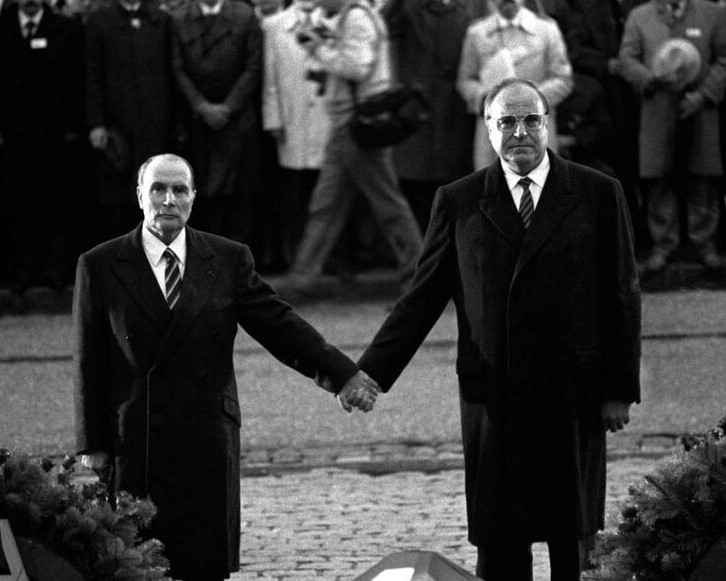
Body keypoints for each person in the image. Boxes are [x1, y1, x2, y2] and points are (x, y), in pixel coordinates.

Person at [353, 79, 642, 580]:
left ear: (547, 125)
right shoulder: (460, 201)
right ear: (488, 130)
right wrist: (367, 373)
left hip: (571, 393)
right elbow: (421, 299)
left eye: (530, 119)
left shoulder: (598, 193)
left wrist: (619, 389)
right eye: (506, 121)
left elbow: (620, 295)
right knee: (501, 539)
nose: (520, 132)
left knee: (572, 537)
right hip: (495, 398)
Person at [73, 153, 380, 581]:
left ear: (194, 198)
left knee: (204, 564)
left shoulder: (226, 259)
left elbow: (279, 325)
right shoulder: (101, 264)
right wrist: (92, 447)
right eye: (158, 189)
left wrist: (343, 375)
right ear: (139, 195)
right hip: (137, 441)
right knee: (135, 565)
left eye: (180, 190)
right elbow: (89, 363)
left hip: (206, 438)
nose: (168, 199)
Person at [282, 0, 423, 301]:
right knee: (326, 205)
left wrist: (319, 48)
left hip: (358, 127)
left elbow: (357, 67)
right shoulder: (352, 17)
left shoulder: (357, 18)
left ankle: (419, 279)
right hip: (349, 126)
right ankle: (302, 280)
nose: (317, 3)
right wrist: (324, 43)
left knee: (387, 207)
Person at [618, 0, 726, 273]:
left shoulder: (713, 14)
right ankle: (663, 246)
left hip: (701, 111)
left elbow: (724, 59)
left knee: (702, 176)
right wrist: (648, 78)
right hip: (657, 109)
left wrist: (702, 96)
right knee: (659, 179)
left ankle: (705, 245)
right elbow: (626, 59)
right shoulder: (639, 16)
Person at [380, 0, 488, 234]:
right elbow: (385, 21)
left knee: (449, 187)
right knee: (414, 188)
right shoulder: (408, 9)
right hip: (415, 114)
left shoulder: (465, 12)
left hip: (452, 113)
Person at [0, 0, 84, 294]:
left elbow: (76, 81)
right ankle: (23, 270)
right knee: (19, 202)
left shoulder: (66, 29)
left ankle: (55, 269)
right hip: (14, 136)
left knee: (56, 201)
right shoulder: (4, 26)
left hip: (57, 136)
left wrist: (74, 129)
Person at [85, 0, 178, 238]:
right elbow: (92, 75)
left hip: (156, 122)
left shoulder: (161, 20)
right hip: (117, 126)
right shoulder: (99, 21)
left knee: (154, 190)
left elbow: (173, 71)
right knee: (118, 195)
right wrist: (96, 123)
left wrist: (176, 122)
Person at [172, 0, 262, 243]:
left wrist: (228, 108)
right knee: (204, 193)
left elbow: (253, 68)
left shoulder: (245, 16)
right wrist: (201, 106)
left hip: (237, 118)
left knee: (240, 193)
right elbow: (177, 69)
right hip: (198, 122)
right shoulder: (179, 18)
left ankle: (242, 261)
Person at [457, 0, 572, 171]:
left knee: (539, 187)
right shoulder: (477, 33)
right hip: (493, 132)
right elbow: (465, 80)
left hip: (536, 128)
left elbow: (563, 79)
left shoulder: (546, 29)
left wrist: (531, 99)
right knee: (491, 190)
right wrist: (484, 99)